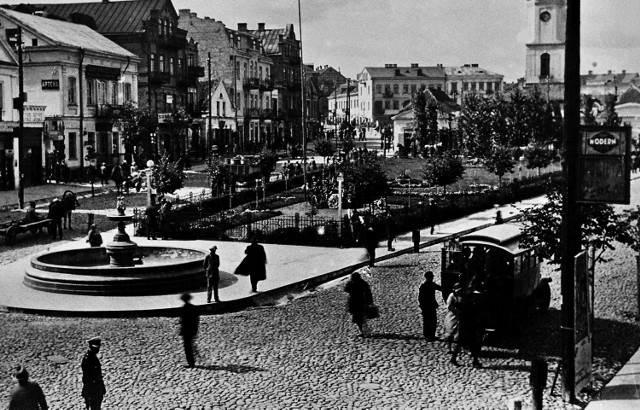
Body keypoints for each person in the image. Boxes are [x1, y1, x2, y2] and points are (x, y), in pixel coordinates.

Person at [344, 270, 374, 337]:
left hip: (354, 302)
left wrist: (349, 282)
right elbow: (368, 293)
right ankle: (364, 331)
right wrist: (370, 302)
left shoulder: (352, 283)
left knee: (357, 318)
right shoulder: (363, 283)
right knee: (362, 316)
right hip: (362, 302)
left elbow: (346, 289)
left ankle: (362, 331)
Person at [81, 337, 106, 410]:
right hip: (92, 390)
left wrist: (102, 387)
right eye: (96, 348)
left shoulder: (93, 357)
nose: (98, 350)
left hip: (97, 388)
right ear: (91, 347)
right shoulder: (88, 359)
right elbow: (87, 377)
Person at [418, 271, 444, 341]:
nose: (433, 277)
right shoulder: (429, 285)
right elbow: (441, 288)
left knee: (429, 321)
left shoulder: (425, 285)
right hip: (429, 306)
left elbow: (420, 298)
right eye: (432, 276)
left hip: (428, 306)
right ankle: (429, 335)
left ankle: (429, 335)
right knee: (430, 321)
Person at [179, 293, 199, 368]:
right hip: (192, 329)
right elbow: (196, 320)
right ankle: (192, 361)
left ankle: (191, 363)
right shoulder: (193, 308)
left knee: (187, 347)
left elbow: (183, 321)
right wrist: (195, 329)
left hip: (186, 330)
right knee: (190, 345)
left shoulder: (184, 308)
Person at [445, 284, 464, 362]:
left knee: (460, 333)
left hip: (460, 316)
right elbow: (449, 306)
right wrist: (456, 311)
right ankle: (449, 347)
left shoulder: (462, 295)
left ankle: (458, 348)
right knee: (450, 332)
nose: (459, 291)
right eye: (458, 289)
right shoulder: (452, 296)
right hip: (452, 316)